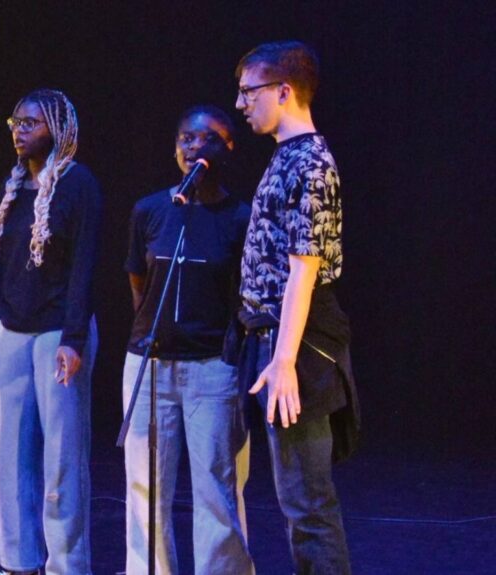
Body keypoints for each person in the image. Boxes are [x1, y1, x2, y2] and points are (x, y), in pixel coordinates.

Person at [0, 89, 102, 575]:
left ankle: (67, 566)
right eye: (15, 121)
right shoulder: (12, 188)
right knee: (11, 456)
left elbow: (83, 270)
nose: (19, 130)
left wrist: (74, 340)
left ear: (58, 128)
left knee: (62, 458)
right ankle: (18, 562)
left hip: (58, 333)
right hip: (9, 331)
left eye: (31, 122)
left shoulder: (79, 186)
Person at [231, 41, 359, 574]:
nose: (241, 105)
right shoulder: (286, 156)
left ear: (284, 92)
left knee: (307, 502)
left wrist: (284, 361)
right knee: (294, 500)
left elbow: (304, 269)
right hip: (274, 338)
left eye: (248, 92)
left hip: (298, 344)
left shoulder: (310, 162)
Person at [121, 106, 255, 575]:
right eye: (185, 139)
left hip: (211, 367)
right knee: (145, 487)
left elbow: (243, 294)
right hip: (149, 363)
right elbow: (139, 279)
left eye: (206, 139)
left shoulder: (240, 218)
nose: (193, 148)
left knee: (214, 489)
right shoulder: (151, 209)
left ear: (229, 147)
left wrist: (229, 356)